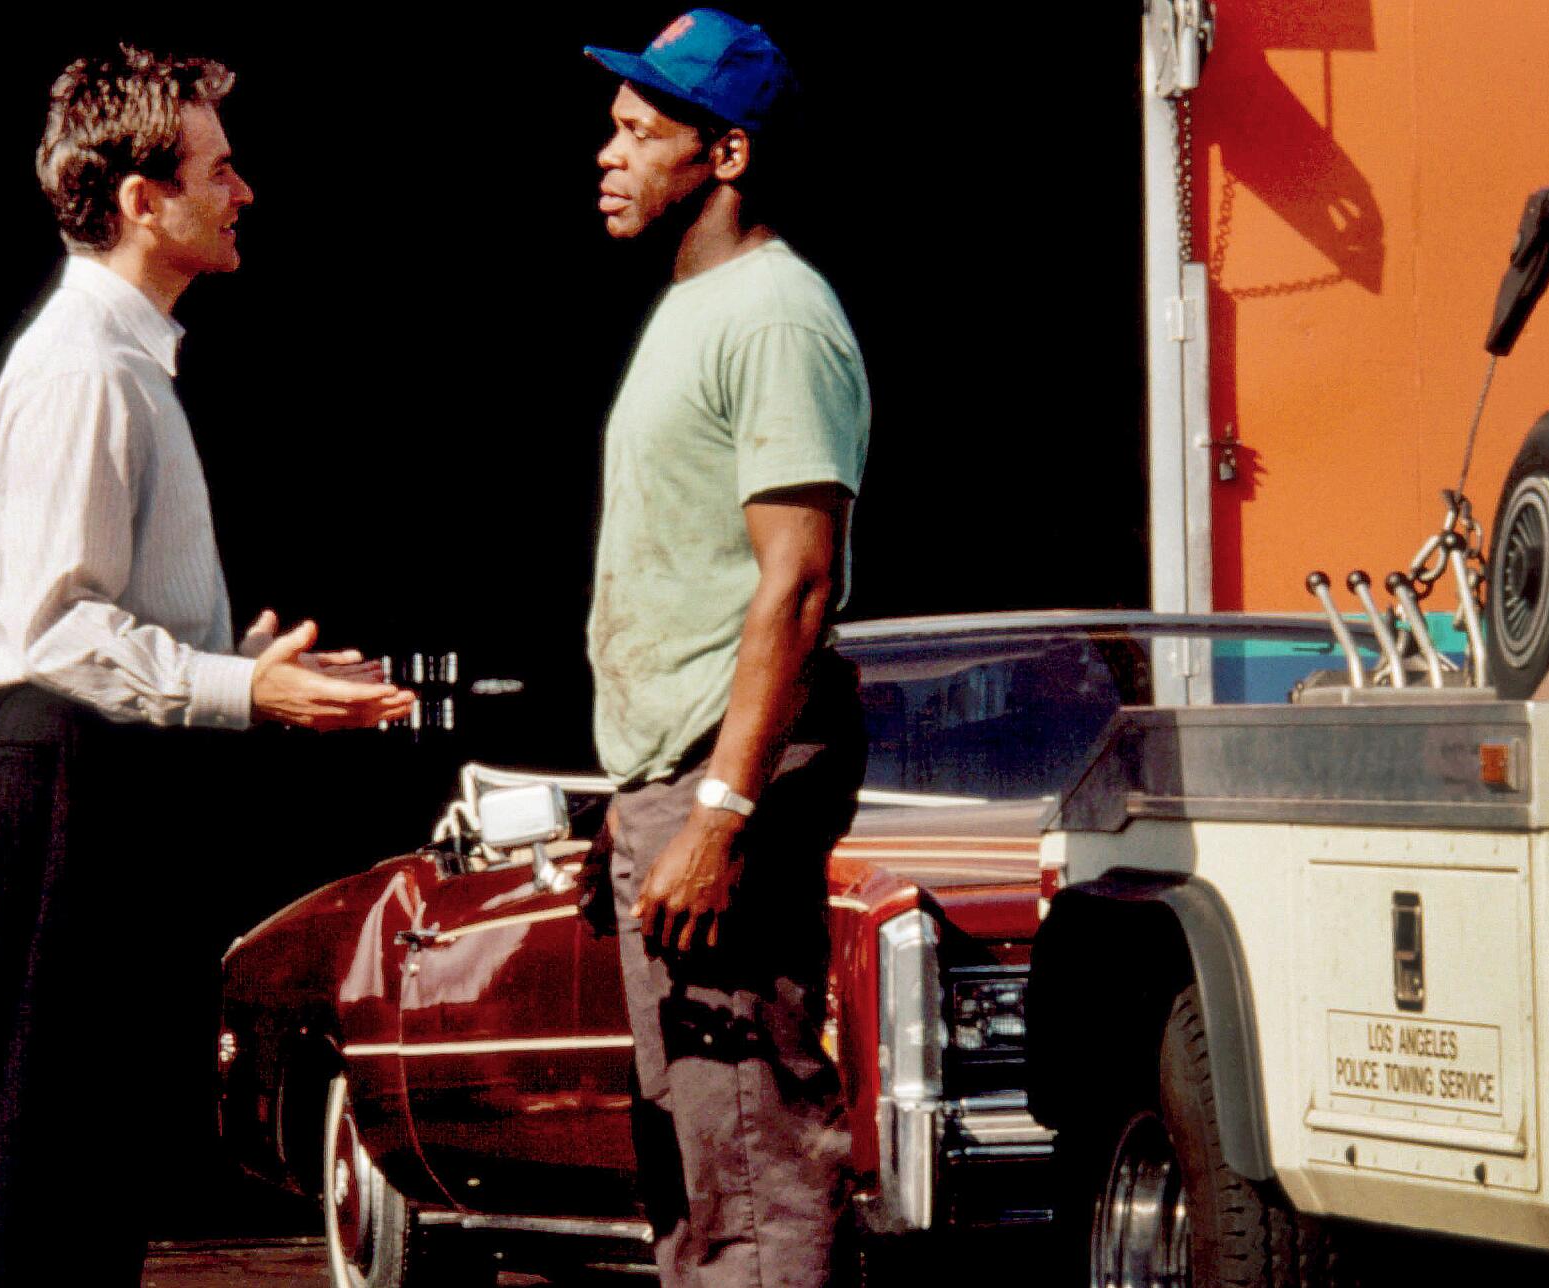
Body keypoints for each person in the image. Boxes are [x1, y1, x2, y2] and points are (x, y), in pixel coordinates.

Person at [0, 44, 413, 1288]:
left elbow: (105, 616)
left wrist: (240, 668)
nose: (244, 190)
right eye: (219, 167)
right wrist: (238, 686)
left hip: (105, 775)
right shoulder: (87, 370)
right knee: (47, 1164)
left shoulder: (129, 364)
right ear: (140, 198)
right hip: (64, 777)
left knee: (91, 1169)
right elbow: (54, 629)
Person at [583, 10, 872, 1286]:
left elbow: (798, 584)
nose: (609, 151)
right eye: (615, 126)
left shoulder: (774, 315)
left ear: (728, 154)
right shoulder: (697, 308)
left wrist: (717, 810)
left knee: (750, 1166)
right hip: (675, 780)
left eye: (642, 132)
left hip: (723, 780)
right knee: (701, 1169)